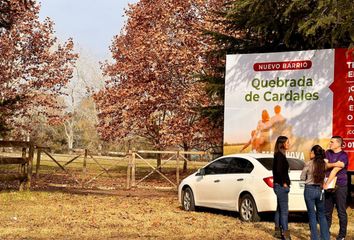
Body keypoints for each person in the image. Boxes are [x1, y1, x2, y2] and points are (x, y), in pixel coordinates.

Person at [300, 145, 330, 240]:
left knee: (312, 215)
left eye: (311, 152)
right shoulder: (324, 163)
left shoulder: (308, 163)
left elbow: (302, 177)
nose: (309, 153)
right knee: (321, 215)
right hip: (320, 191)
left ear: (314, 153)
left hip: (309, 190)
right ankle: (326, 238)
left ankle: (315, 238)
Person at [324, 136, 348, 240]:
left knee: (341, 211)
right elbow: (324, 166)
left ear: (339, 144)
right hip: (328, 187)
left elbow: (335, 170)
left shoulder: (344, 155)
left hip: (340, 186)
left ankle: (342, 235)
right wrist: (334, 164)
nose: (330, 144)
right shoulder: (327, 152)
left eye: (332, 142)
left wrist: (327, 183)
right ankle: (325, 233)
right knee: (327, 212)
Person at [272, 136, 291, 240]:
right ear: (282, 143)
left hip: (278, 185)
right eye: (287, 142)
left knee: (279, 209)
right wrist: (284, 183)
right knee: (284, 211)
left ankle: (278, 233)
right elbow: (279, 171)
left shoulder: (279, 155)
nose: (289, 144)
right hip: (281, 186)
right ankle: (286, 235)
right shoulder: (279, 155)